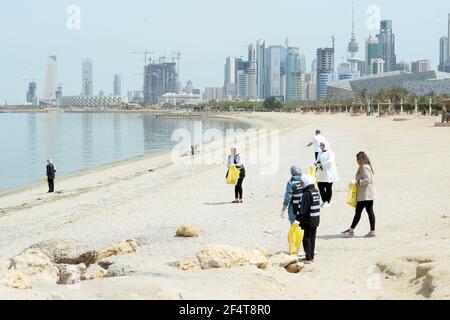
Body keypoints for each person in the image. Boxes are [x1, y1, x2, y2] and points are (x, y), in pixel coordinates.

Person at [342, 152, 376, 238]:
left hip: (364, 194)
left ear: (361, 159)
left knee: (358, 212)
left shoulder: (364, 167)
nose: (356, 161)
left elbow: (367, 180)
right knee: (369, 211)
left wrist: (356, 182)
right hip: (367, 194)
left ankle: (351, 230)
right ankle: (372, 231)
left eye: (357, 159)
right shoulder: (367, 166)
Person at [295, 175, 320, 264]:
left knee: (306, 239)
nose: (301, 185)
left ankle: (308, 258)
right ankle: (311, 257)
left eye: (302, 183)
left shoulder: (307, 194)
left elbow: (303, 209)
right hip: (316, 219)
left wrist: (297, 219)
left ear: (306, 183)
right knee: (312, 238)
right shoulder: (315, 192)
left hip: (308, 220)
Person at [314, 140, 339, 208]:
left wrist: (322, 164)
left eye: (322, 145)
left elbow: (330, 161)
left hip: (329, 173)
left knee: (328, 188)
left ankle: (328, 202)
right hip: (321, 173)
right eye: (320, 145)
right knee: (320, 187)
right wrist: (316, 163)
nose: (321, 146)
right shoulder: (320, 152)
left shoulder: (330, 152)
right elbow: (317, 160)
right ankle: (324, 200)